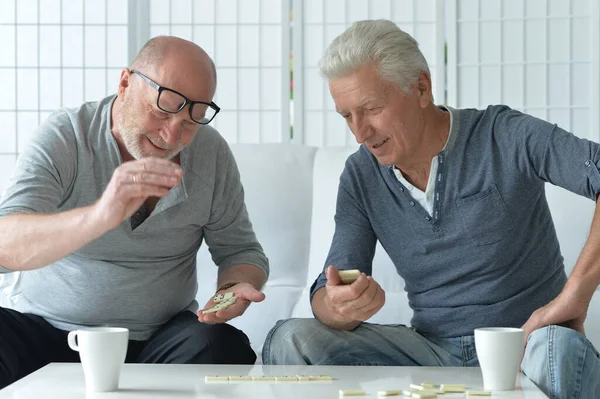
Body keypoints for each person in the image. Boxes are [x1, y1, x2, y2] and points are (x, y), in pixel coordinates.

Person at [262, 19, 599, 398]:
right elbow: (332, 286)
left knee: (559, 348)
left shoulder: (504, 135)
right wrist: (338, 307)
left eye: (371, 108)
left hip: (526, 346)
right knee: (289, 339)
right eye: (346, 115)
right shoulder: (361, 175)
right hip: (432, 352)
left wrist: (575, 295)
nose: (359, 133)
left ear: (421, 88)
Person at [0, 36, 269, 389]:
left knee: (221, 346)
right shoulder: (66, 137)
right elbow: (6, 244)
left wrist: (234, 288)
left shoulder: (211, 154)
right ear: (125, 83)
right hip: (50, 334)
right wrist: (101, 215)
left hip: (160, 341)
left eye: (192, 121)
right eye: (162, 109)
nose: (172, 135)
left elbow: (241, 251)